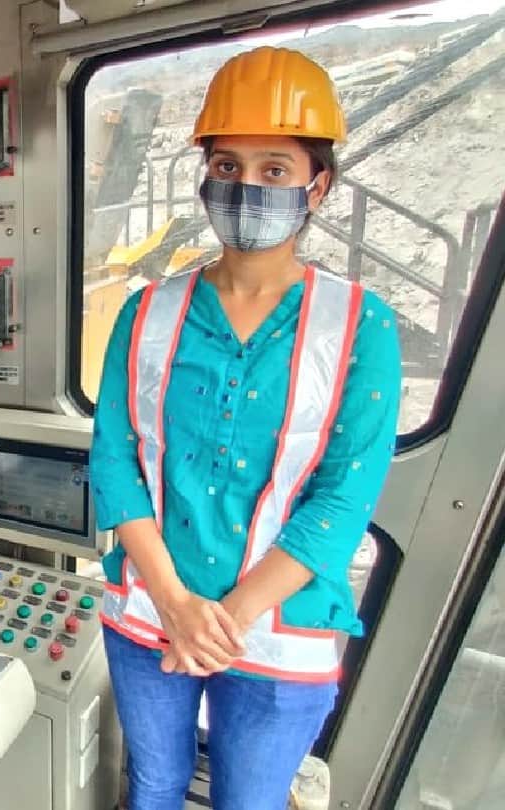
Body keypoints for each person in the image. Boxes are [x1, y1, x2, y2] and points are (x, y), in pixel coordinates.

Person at [89, 47, 402, 810]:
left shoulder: (361, 325)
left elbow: (342, 500)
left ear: (317, 187)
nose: (246, 188)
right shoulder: (148, 311)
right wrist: (172, 603)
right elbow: (115, 461)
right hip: (150, 606)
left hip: (283, 622)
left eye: (274, 170)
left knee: (248, 800)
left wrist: (218, 622)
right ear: (204, 178)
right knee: (154, 784)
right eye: (227, 167)